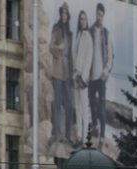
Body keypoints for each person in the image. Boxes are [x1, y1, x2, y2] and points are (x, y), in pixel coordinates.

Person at [48, 3, 74, 144]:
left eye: (66, 13)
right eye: (62, 13)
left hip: (67, 73)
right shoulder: (56, 29)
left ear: (68, 16)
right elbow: (50, 46)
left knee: (69, 104)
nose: (64, 15)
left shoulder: (69, 33)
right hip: (57, 71)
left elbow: (71, 54)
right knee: (57, 103)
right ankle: (57, 133)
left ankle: (68, 134)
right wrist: (59, 48)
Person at [88, 2, 113, 140]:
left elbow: (110, 55)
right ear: (95, 13)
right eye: (98, 14)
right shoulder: (90, 31)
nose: (99, 17)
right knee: (91, 103)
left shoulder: (106, 33)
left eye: (101, 15)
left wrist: (106, 71)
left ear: (103, 16)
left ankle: (102, 137)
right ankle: (95, 128)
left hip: (101, 76)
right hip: (91, 75)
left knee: (102, 107)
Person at [71, 10, 93, 147]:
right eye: (81, 19)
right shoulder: (78, 36)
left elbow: (88, 59)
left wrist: (83, 77)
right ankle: (79, 136)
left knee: (84, 109)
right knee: (77, 108)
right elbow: (75, 56)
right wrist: (75, 75)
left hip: (83, 77)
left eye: (84, 19)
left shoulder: (88, 37)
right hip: (76, 75)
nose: (82, 21)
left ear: (87, 21)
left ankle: (86, 138)